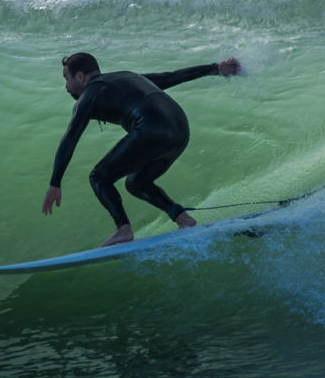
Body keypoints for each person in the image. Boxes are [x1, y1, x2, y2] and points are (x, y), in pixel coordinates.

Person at [41, 52, 240, 246]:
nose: (66, 86)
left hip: (152, 129)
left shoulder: (89, 95)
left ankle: (123, 229)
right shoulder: (128, 76)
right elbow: (172, 76)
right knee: (136, 182)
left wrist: (55, 182)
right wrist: (215, 68)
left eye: (66, 78)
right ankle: (182, 218)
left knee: (99, 177)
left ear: (80, 76)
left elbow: (69, 138)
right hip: (180, 129)